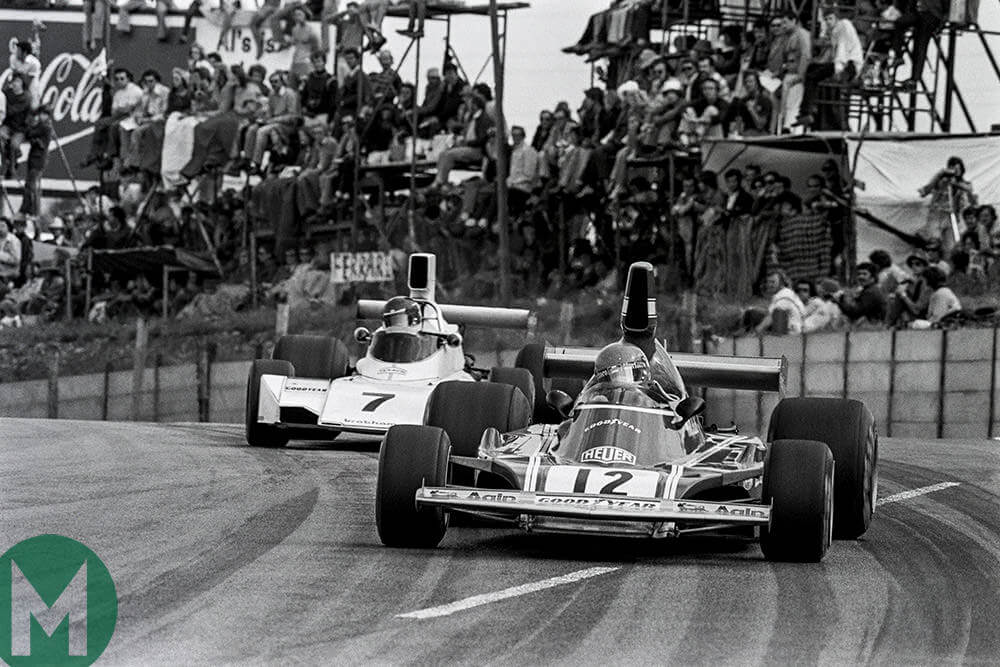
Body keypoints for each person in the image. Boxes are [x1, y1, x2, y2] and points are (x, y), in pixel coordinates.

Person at [918, 156, 975, 252]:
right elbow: (925, 191)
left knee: (951, 247)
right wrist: (939, 175)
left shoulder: (964, 183)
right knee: (933, 243)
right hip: (937, 216)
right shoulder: (940, 180)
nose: (955, 172)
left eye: (958, 169)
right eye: (953, 169)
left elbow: (969, 189)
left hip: (953, 219)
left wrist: (955, 183)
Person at [755, 269, 805, 334]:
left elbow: (772, 317)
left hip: (792, 332)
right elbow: (770, 312)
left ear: (781, 283)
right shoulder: (782, 293)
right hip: (789, 327)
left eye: (773, 282)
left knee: (754, 316)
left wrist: (757, 330)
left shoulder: (785, 295)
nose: (769, 285)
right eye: (768, 282)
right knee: (755, 312)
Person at [837, 261, 887, 326]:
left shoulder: (871, 292)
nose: (861, 277)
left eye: (864, 274)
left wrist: (840, 300)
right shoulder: (871, 289)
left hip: (872, 329)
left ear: (873, 277)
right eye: (859, 274)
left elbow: (854, 313)